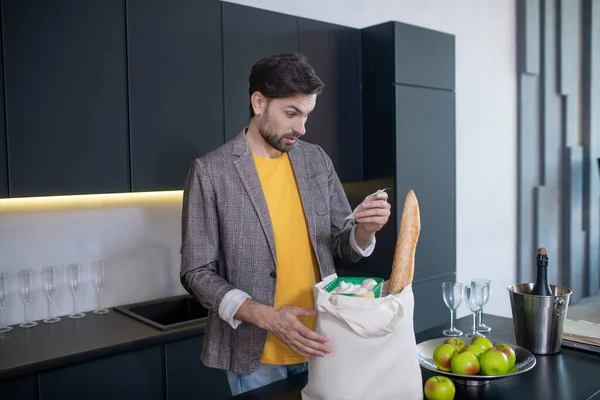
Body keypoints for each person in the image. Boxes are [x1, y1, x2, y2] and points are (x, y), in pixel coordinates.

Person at [180, 52, 391, 396]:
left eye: (306, 115)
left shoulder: (315, 159)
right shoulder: (211, 171)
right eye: (291, 113)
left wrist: (366, 229)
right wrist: (266, 316)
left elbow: (340, 241)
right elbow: (196, 272)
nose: (301, 128)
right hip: (257, 357)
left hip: (325, 342)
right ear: (259, 102)